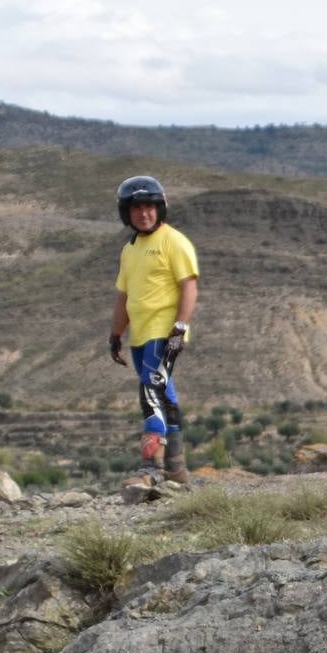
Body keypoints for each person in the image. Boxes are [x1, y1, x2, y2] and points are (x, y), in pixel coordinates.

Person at [108, 175, 200, 481]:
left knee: (149, 389)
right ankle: (177, 467)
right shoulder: (129, 249)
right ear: (126, 212)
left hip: (165, 333)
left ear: (160, 208)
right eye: (136, 208)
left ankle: (152, 466)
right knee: (163, 393)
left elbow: (189, 286)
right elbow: (124, 296)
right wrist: (115, 334)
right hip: (140, 334)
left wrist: (179, 327)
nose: (143, 213)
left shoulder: (174, 242)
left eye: (149, 207)